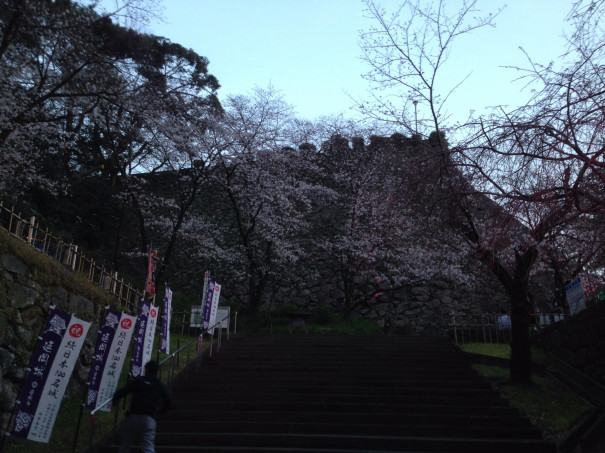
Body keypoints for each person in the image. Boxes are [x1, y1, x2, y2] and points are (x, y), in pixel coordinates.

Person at [112, 360, 172, 453]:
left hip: (133, 416)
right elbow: (168, 400)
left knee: (125, 446)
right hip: (149, 418)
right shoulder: (158, 384)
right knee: (148, 447)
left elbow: (124, 390)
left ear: (146, 370)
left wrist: (115, 400)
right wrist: (161, 411)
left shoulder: (138, 381)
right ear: (157, 371)